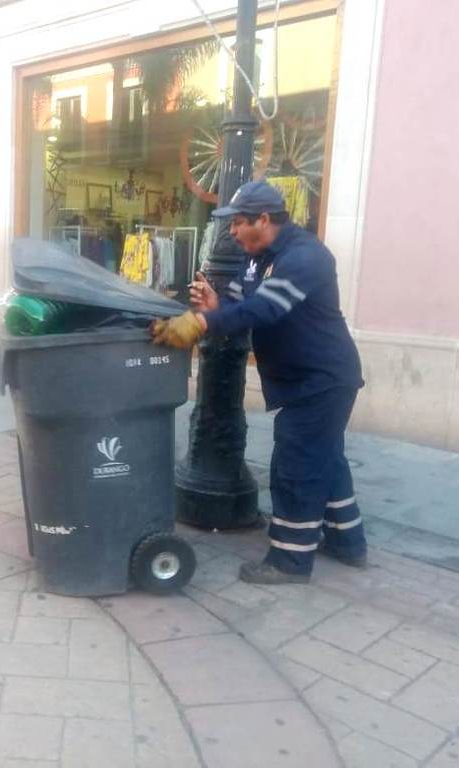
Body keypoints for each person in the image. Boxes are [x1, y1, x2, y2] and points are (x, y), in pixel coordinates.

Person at [150, 180, 367, 585]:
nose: (231, 233)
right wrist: (213, 306)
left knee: (297, 464)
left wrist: (200, 322)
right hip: (300, 378)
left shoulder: (306, 257)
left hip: (322, 379)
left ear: (264, 220)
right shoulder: (255, 260)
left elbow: (266, 308)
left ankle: (289, 559)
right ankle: (347, 542)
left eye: (237, 224)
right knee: (326, 459)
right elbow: (238, 303)